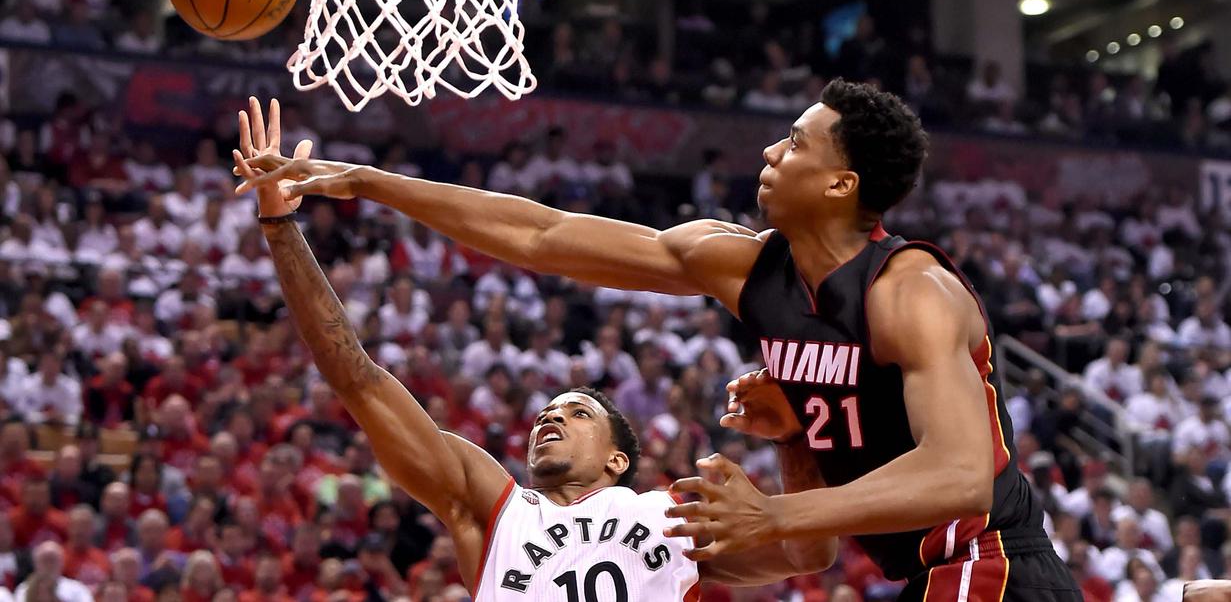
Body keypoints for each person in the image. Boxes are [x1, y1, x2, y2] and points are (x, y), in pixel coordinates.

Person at [237, 79, 1079, 599]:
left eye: (793, 141)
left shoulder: (911, 293)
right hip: (925, 574)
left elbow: (962, 475)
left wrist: (773, 511)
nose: (769, 148)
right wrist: (366, 182)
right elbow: (542, 235)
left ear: (840, 182)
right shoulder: (743, 267)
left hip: (989, 562)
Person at [230, 99, 836, 599]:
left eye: (578, 413)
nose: (552, 415)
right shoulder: (493, 510)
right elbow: (356, 377)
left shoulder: (669, 514)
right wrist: (280, 228)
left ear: (617, 461)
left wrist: (795, 444)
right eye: (551, 410)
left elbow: (808, 552)